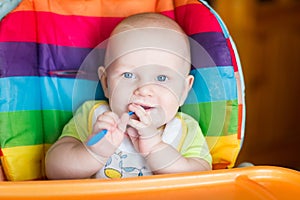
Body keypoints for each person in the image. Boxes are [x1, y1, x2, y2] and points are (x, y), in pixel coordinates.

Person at [45, 12, 212, 179]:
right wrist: (93, 152)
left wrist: (155, 148)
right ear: (106, 83)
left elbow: (202, 177)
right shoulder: (94, 117)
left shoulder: (184, 129)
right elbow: (53, 170)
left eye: (161, 78)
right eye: (128, 75)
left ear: (184, 90)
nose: (144, 89)